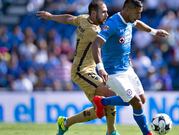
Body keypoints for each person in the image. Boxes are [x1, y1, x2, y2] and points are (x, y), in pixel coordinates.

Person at [36, 1, 120, 135]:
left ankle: (65, 123)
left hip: (89, 71)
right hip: (81, 71)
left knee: (103, 108)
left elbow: (69, 18)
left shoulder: (83, 19)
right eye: (103, 12)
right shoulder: (93, 30)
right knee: (110, 93)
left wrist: (51, 16)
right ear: (93, 13)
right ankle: (112, 132)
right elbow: (108, 46)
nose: (107, 14)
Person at [91, 0, 169, 135]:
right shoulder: (112, 24)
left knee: (140, 99)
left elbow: (137, 23)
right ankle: (147, 133)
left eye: (140, 13)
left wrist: (154, 32)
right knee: (136, 103)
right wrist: (100, 68)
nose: (139, 16)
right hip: (113, 72)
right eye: (137, 13)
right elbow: (96, 45)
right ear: (126, 9)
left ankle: (102, 102)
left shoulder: (130, 19)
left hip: (127, 68)